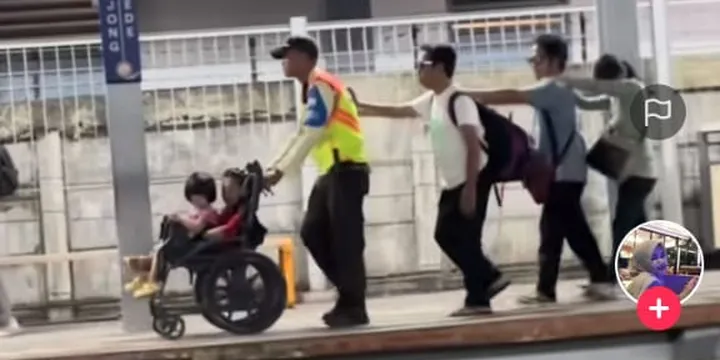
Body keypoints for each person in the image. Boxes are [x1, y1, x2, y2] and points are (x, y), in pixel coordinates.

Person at [351, 44, 510, 316]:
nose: (418, 70)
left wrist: (471, 188)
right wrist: (359, 107)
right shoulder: (433, 100)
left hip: (473, 179)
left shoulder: (460, 101)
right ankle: (488, 276)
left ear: (439, 67)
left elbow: (473, 145)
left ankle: (478, 299)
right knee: (445, 234)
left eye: (422, 64)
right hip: (453, 183)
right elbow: (399, 111)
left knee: (467, 239)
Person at [462, 34, 614, 304]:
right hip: (569, 170)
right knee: (570, 229)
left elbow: (512, 94)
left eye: (538, 58)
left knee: (554, 231)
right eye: (532, 59)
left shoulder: (550, 87)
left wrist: (467, 95)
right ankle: (596, 279)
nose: (533, 64)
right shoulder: (563, 88)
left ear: (554, 61)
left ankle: (551, 290)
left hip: (563, 172)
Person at [263, 36, 370, 328]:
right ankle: (350, 294)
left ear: (303, 57)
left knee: (346, 243)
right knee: (312, 232)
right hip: (332, 172)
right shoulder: (311, 89)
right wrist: (273, 167)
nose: (284, 63)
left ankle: (353, 305)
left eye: (287, 57)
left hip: (346, 170)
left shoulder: (322, 84)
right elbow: (300, 133)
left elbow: (311, 132)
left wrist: (281, 171)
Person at [556, 54, 657, 282]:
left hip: (640, 174)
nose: (604, 86)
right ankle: (652, 270)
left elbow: (596, 86)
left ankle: (613, 275)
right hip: (631, 174)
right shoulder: (616, 99)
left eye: (605, 81)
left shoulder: (632, 88)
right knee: (638, 225)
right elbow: (585, 102)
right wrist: (564, 91)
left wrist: (564, 79)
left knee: (621, 224)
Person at [125, 171, 220, 298]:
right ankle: (143, 275)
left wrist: (181, 220)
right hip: (190, 243)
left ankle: (152, 280)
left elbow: (197, 228)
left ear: (208, 196)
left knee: (161, 252)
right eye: (194, 198)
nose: (196, 201)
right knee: (159, 251)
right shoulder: (197, 210)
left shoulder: (208, 212)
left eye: (200, 197)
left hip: (194, 246)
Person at [626, 240, 697, 299]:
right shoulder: (651, 282)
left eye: (662, 255)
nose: (661, 261)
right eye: (653, 258)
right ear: (643, 261)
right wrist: (686, 291)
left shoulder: (639, 278)